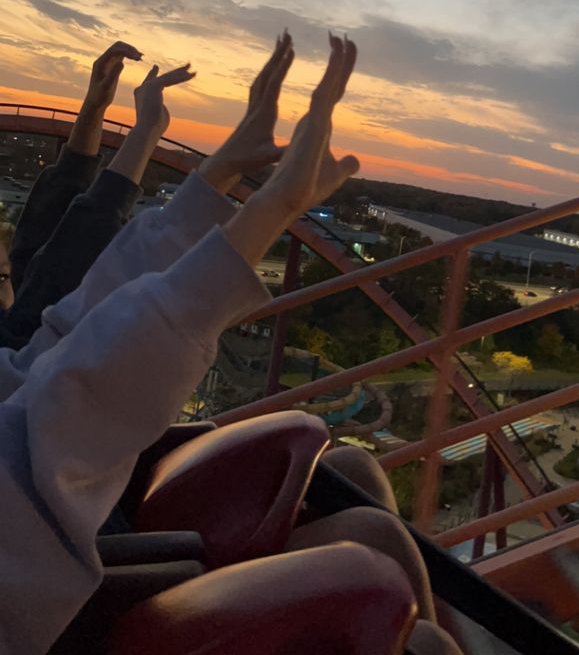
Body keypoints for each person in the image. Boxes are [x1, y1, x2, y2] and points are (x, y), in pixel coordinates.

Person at [0, 34, 461, 655]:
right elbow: (48, 409)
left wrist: (218, 181)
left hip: (64, 527)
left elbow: (45, 352)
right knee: (380, 577)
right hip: (51, 570)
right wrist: (262, 213)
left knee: (355, 491)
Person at [0, 61, 193, 351]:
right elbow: (48, 288)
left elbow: (32, 259)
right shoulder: (15, 369)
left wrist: (94, 109)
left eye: (2, 275)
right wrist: (145, 133)